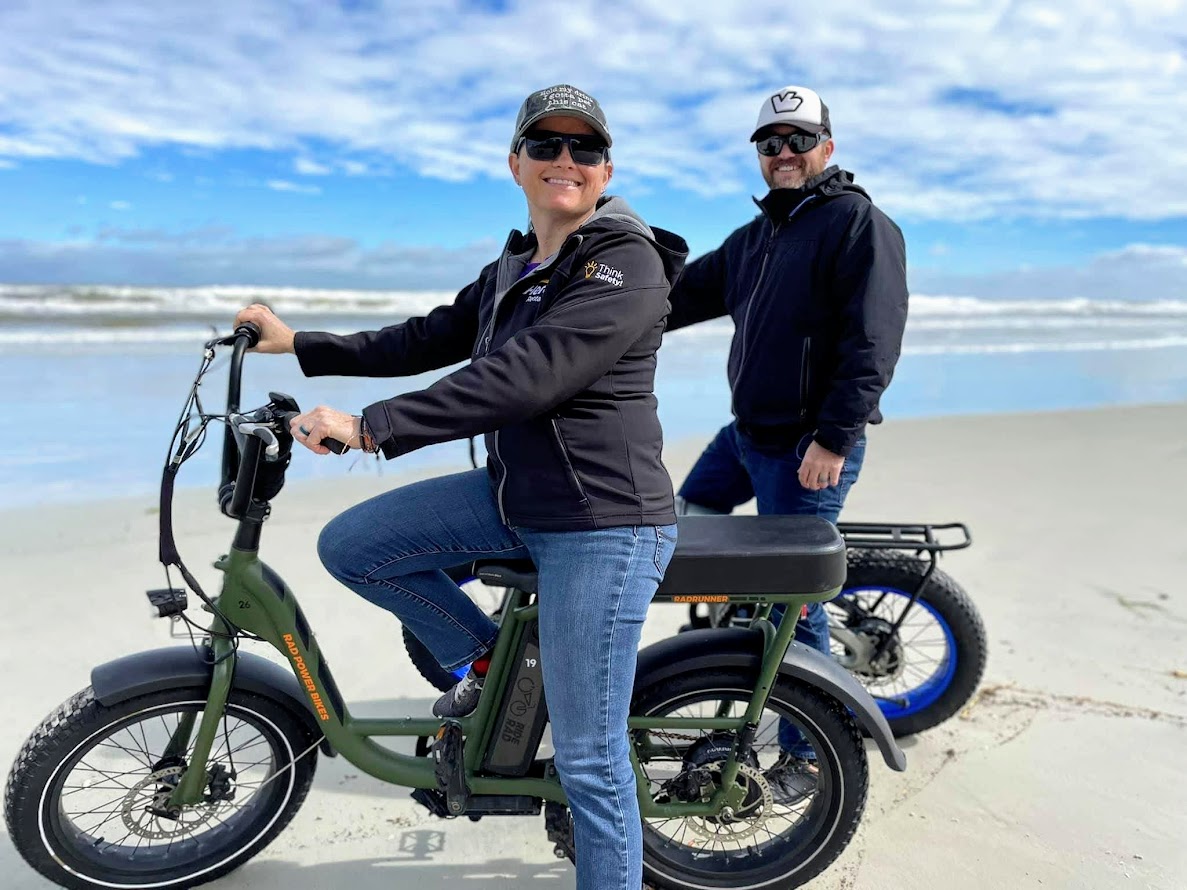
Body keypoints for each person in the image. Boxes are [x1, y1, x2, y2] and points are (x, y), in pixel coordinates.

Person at [234, 84, 687, 890]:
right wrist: (298, 343)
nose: (564, 160)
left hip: (601, 523)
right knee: (356, 546)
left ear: (606, 167)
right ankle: (487, 669)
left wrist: (371, 427)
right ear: (515, 162)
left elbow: (527, 377)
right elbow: (430, 336)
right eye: (545, 144)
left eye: (584, 148)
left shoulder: (625, 261)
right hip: (519, 498)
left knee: (588, 756)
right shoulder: (516, 264)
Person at [665, 85, 909, 797]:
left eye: (798, 140)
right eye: (770, 143)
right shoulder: (754, 239)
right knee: (691, 516)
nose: (784, 154)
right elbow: (673, 299)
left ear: (825, 148)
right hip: (746, 435)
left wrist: (832, 437)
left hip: (808, 445)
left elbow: (872, 341)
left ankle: (807, 753)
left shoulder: (857, 224)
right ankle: (718, 641)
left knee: (792, 604)